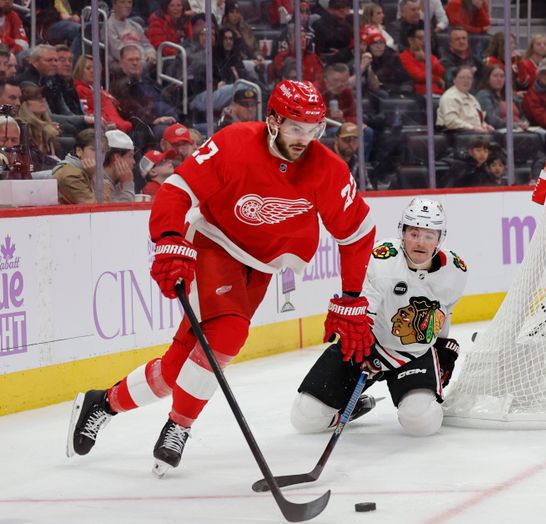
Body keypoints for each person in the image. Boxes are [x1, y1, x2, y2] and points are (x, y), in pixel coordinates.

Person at [66, 80, 376, 476]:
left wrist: (352, 296)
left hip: (262, 265)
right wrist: (170, 238)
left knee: (178, 368)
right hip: (215, 243)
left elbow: (357, 233)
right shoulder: (234, 143)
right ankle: (179, 426)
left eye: (313, 130)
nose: (304, 139)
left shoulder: (327, 169)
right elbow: (177, 190)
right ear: (273, 121)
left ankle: (102, 403)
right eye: (296, 128)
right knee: (229, 334)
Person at [290, 198, 466, 437]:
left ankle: (427, 398)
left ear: (440, 238)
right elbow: (366, 305)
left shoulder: (455, 270)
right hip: (365, 346)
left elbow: (444, 312)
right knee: (305, 419)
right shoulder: (383, 259)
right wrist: (364, 344)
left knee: (422, 423)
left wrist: (442, 348)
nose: (420, 242)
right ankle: (350, 408)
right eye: (413, 233)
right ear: (402, 233)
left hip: (411, 356)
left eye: (429, 235)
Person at [73, 55, 133, 133]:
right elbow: (87, 113)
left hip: (121, 125)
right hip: (108, 128)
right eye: (88, 68)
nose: (92, 71)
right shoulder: (80, 89)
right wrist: (110, 123)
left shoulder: (101, 90)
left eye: (96, 68)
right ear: (80, 70)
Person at [52, 128, 106, 204]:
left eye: (103, 151)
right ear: (79, 151)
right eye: (94, 150)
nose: (99, 155)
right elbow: (97, 210)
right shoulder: (71, 175)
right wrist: (95, 176)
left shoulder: (87, 171)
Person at [436, 65, 491, 132]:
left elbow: (478, 120)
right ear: (454, 80)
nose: (466, 81)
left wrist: (486, 126)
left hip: (475, 134)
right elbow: (451, 122)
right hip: (456, 135)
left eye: (469, 78)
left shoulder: (473, 99)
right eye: (462, 78)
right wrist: (473, 128)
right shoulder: (450, 97)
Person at [475, 64, 528, 131]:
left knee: (542, 134)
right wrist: (515, 125)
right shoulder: (483, 95)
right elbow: (491, 120)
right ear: (488, 79)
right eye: (495, 76)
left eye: (502, 76)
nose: (499, 79)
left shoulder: (510, 97)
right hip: (500, 131)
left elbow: (523, 115)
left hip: (519, 129)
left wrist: (525, 123)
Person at [399, 28, 445, 96]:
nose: (424, 41)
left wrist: (426, 59)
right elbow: (418, 76)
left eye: (426, 38)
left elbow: (441, 72)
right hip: (421, 95)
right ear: (411, 40)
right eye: (420, 38)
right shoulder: (403, 57)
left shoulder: (429, 57)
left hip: (438, 93)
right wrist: (437, 79)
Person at [103, 130, 136, 202]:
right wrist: (128, 184)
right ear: (117, 157)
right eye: (130, 156)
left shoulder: (118, 182)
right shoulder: (101, 183)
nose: (134, 162)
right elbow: (123, 211)